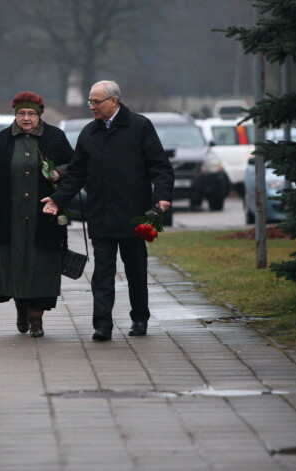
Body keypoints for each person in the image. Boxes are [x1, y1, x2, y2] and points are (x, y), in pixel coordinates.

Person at [41, 80, 174, 341]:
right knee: (102, 274)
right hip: (100, 215)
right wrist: (58, 199)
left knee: (136, 270)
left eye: (96, 101)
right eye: (90, 101)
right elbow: (76, 173)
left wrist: (162, 197)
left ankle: (139, 319)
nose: (91, 106)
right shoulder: (89, 133)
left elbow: (160, 166)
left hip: (134, 215)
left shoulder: (139, 126)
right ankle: (103, 325)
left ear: (113, 101)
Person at [0, 91, 74, 337]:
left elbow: (74, 164)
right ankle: (21, 309)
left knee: (40, 268)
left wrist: (59, 172)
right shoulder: (2, 140)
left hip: (44, 217)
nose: (26, 118)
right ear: (15, 115)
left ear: (40, 115)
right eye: (21, 113)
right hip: (9, 217)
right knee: (14, 267)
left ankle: (37, 320)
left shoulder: (55, 137)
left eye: (31, 114)